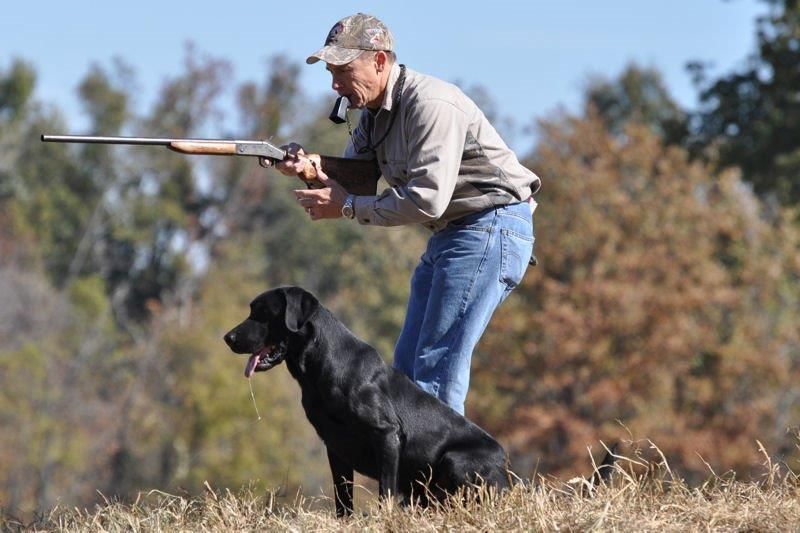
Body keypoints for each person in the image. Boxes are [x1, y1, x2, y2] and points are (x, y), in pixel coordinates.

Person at [266, 13, 541, 416]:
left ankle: (443, 478)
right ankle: (422, 478)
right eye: (331, 72)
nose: (335, 84)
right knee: (408, 375)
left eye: (343, 71)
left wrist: (344, 206)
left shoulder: (431, 105)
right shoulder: (373, 114)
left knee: (434, 370)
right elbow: (357, 184)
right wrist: (307, 168)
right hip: (455, 233)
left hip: (489, 226)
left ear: (379, 61)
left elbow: (425, 200)